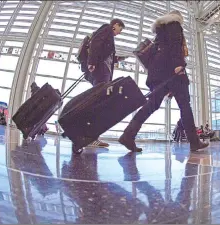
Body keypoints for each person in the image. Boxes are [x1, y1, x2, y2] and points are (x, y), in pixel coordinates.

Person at [118, 10, 209, 152]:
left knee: (151, 105)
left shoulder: (160, 32)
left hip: (158, 74)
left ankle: (128, 135)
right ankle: (194, 141)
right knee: (185, 105)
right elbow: (175, 45)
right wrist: (178, 64)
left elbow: (160, 53)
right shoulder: (174, 24)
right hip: (173, 71)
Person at [83, 18, 126, 148]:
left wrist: (117, 58)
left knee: (97, 103)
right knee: (97, 103)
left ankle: (91, 136)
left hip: (103, 73)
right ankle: (90, 137)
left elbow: (104, 54)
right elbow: (95, 43)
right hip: (101, 72)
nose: (120, 32)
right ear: (116, 25)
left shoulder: (109, 36)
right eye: (120, 29)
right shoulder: (106, 29)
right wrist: (91, 62)